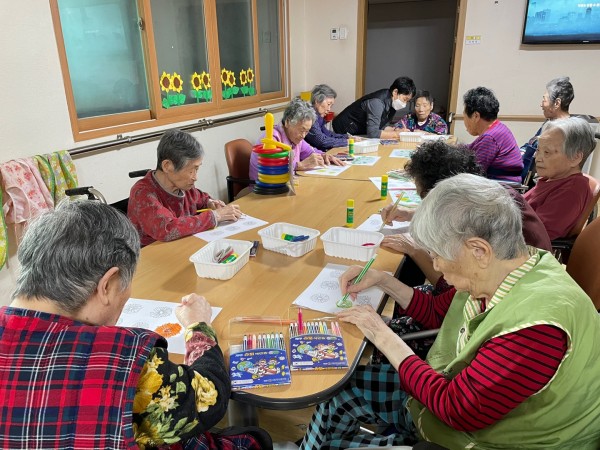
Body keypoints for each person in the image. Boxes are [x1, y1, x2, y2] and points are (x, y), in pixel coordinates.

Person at [300, 174, 600, 450]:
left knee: (336, 424)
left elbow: (456, 410)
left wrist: (381, 333)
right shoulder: (507, 266)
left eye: (437, 254)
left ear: (478, 250)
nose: (436, 266)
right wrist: (383, 281)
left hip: (486, 436)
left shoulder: (535, 329)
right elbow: (436, 312)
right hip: (447, 393)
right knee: (339, 391)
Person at [0, 200, 271, 450]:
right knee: (253, 439)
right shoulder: (123, 358)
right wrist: (198, 326)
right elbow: (208, 398)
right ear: (107, 285)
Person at [128, 129, 242, 246]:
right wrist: (215, 216)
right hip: (154, 252)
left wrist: (210, 203)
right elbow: (167, 228)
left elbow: (201, 198)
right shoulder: (142, 192)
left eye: (197, 169)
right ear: (167, 166)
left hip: (183, 245)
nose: (195, 177)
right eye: (191, 170)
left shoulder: (183, 185)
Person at [524, 116, 596, 240]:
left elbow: (537, 235)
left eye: (547, 152)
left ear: (575, 158)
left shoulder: (571, 190)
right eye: (538, 150)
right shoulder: (552, 179)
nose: (538, 157)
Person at [249, 98, 344, 180]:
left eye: (307, 131)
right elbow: (273, 167)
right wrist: (299, 165)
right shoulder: (270, 138)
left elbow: (310, 152)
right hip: (266, 190)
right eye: (301, 130)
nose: (303, 135)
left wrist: (324, 156)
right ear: (287, 122)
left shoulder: (296, 139)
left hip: (287, 186)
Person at [463, 87, 523, 182]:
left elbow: (473, 173)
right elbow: (472, 148)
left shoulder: (490, 138)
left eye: (464, 116)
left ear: (476, 116)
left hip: (502, 186)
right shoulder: (498, 128)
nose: (464, 121)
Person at [521, 77, 575, 181]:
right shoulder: (549, 123)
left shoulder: (562, 131)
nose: (541, 104)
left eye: (544, 100)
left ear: (557, 103)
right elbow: (531, 144)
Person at [332, 76, 416, 139]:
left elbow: (383, 126)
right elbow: (373, 133)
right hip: (344, 128)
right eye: (405, 99)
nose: (405, 104)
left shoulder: (393, 103)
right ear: (395, 92)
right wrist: (396, 134)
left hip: (359, 131)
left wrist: (395, 130)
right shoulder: (377, 102)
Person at [304, 84, 352, 150]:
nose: (329, 109)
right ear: (317, 101)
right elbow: (322, 141)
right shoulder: (308, 116)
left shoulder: (318, 116)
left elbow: (328, 134)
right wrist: (347, 142)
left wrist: (347, 137)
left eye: (331, 106)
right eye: (328, 104)